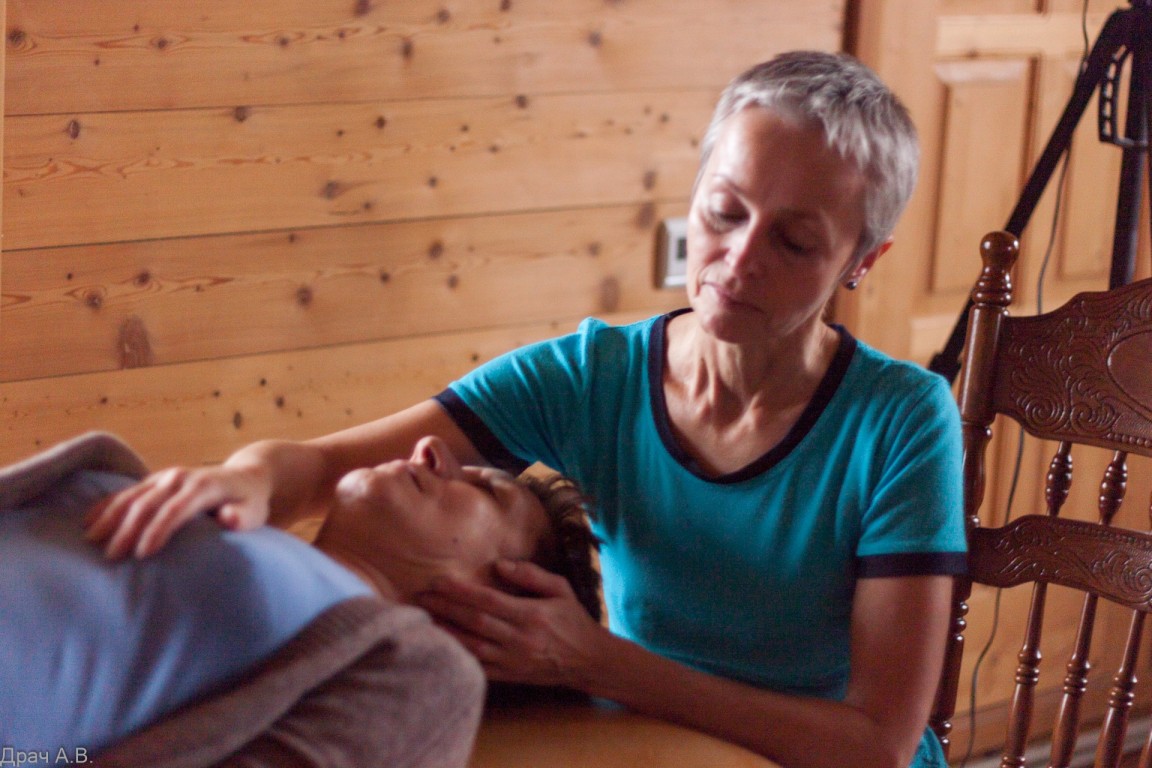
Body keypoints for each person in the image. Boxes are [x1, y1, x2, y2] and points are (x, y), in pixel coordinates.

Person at [90, 50, 965, 768]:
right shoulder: (594, 377)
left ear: (863, 259)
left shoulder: (900, 419)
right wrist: (240, 479)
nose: (737, 260)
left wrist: (597, 663)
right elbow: (320, 468)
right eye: (724, 211)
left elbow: (875, 747)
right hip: (643, 743)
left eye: (795, 241)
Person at [2, 433, 599, 765]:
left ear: (505, 605)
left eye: (485, 490)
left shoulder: (427, 677)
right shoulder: (235, 516)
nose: (430, 449)